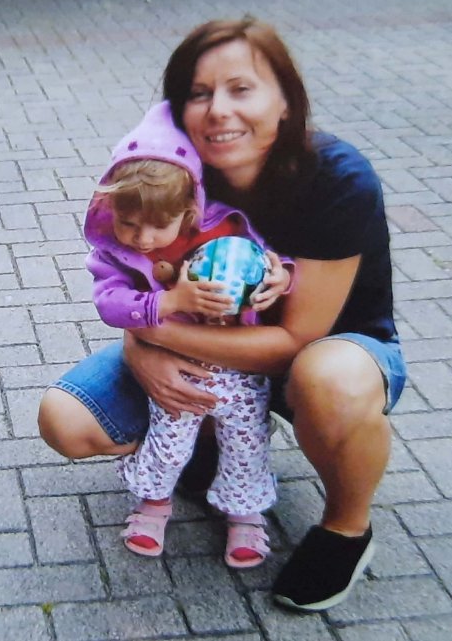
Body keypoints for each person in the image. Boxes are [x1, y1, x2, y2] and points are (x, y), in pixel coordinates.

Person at [39, 16, 406, 612]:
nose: (218, 111)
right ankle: (208, 444)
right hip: (198, 338)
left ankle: (345, 528)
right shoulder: (176, 174)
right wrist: (142, 347)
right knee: (66, 421)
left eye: (241, 89)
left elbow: (295, 337)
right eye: (199, 93)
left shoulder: (337, 179)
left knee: (328, 382)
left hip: (324, 349)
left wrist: (152, 338)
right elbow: (128, 280)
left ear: (285, 100)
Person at [84, 101, 292, 568]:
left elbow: (269, 256)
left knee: (246, 439)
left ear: (189, 211)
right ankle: (153, 504)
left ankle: (245, 514)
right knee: (170, 436)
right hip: (178, 366)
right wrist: (169, 302)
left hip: (238, 361)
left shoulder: (226, 227)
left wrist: (282, 275)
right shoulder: (116, 251)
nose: (142, 238)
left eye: (158, 225)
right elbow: (109, 302)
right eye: (128, 223)